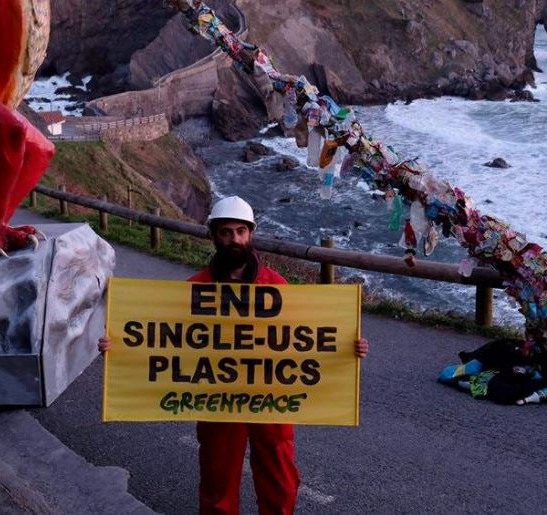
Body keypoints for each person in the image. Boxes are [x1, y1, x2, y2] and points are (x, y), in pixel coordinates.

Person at [99, 195, 369, 515]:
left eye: (241, 231)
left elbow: (306, 339)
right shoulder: (194, 289)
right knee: (218, 481)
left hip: (271, 397)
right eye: (226, 232)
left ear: (250, 234)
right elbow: (163, 340)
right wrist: (120, 349)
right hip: (217, 400)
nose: (235, 239)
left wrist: (348, 346)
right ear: (213, 235)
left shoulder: (277, 286)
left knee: (280, 481)